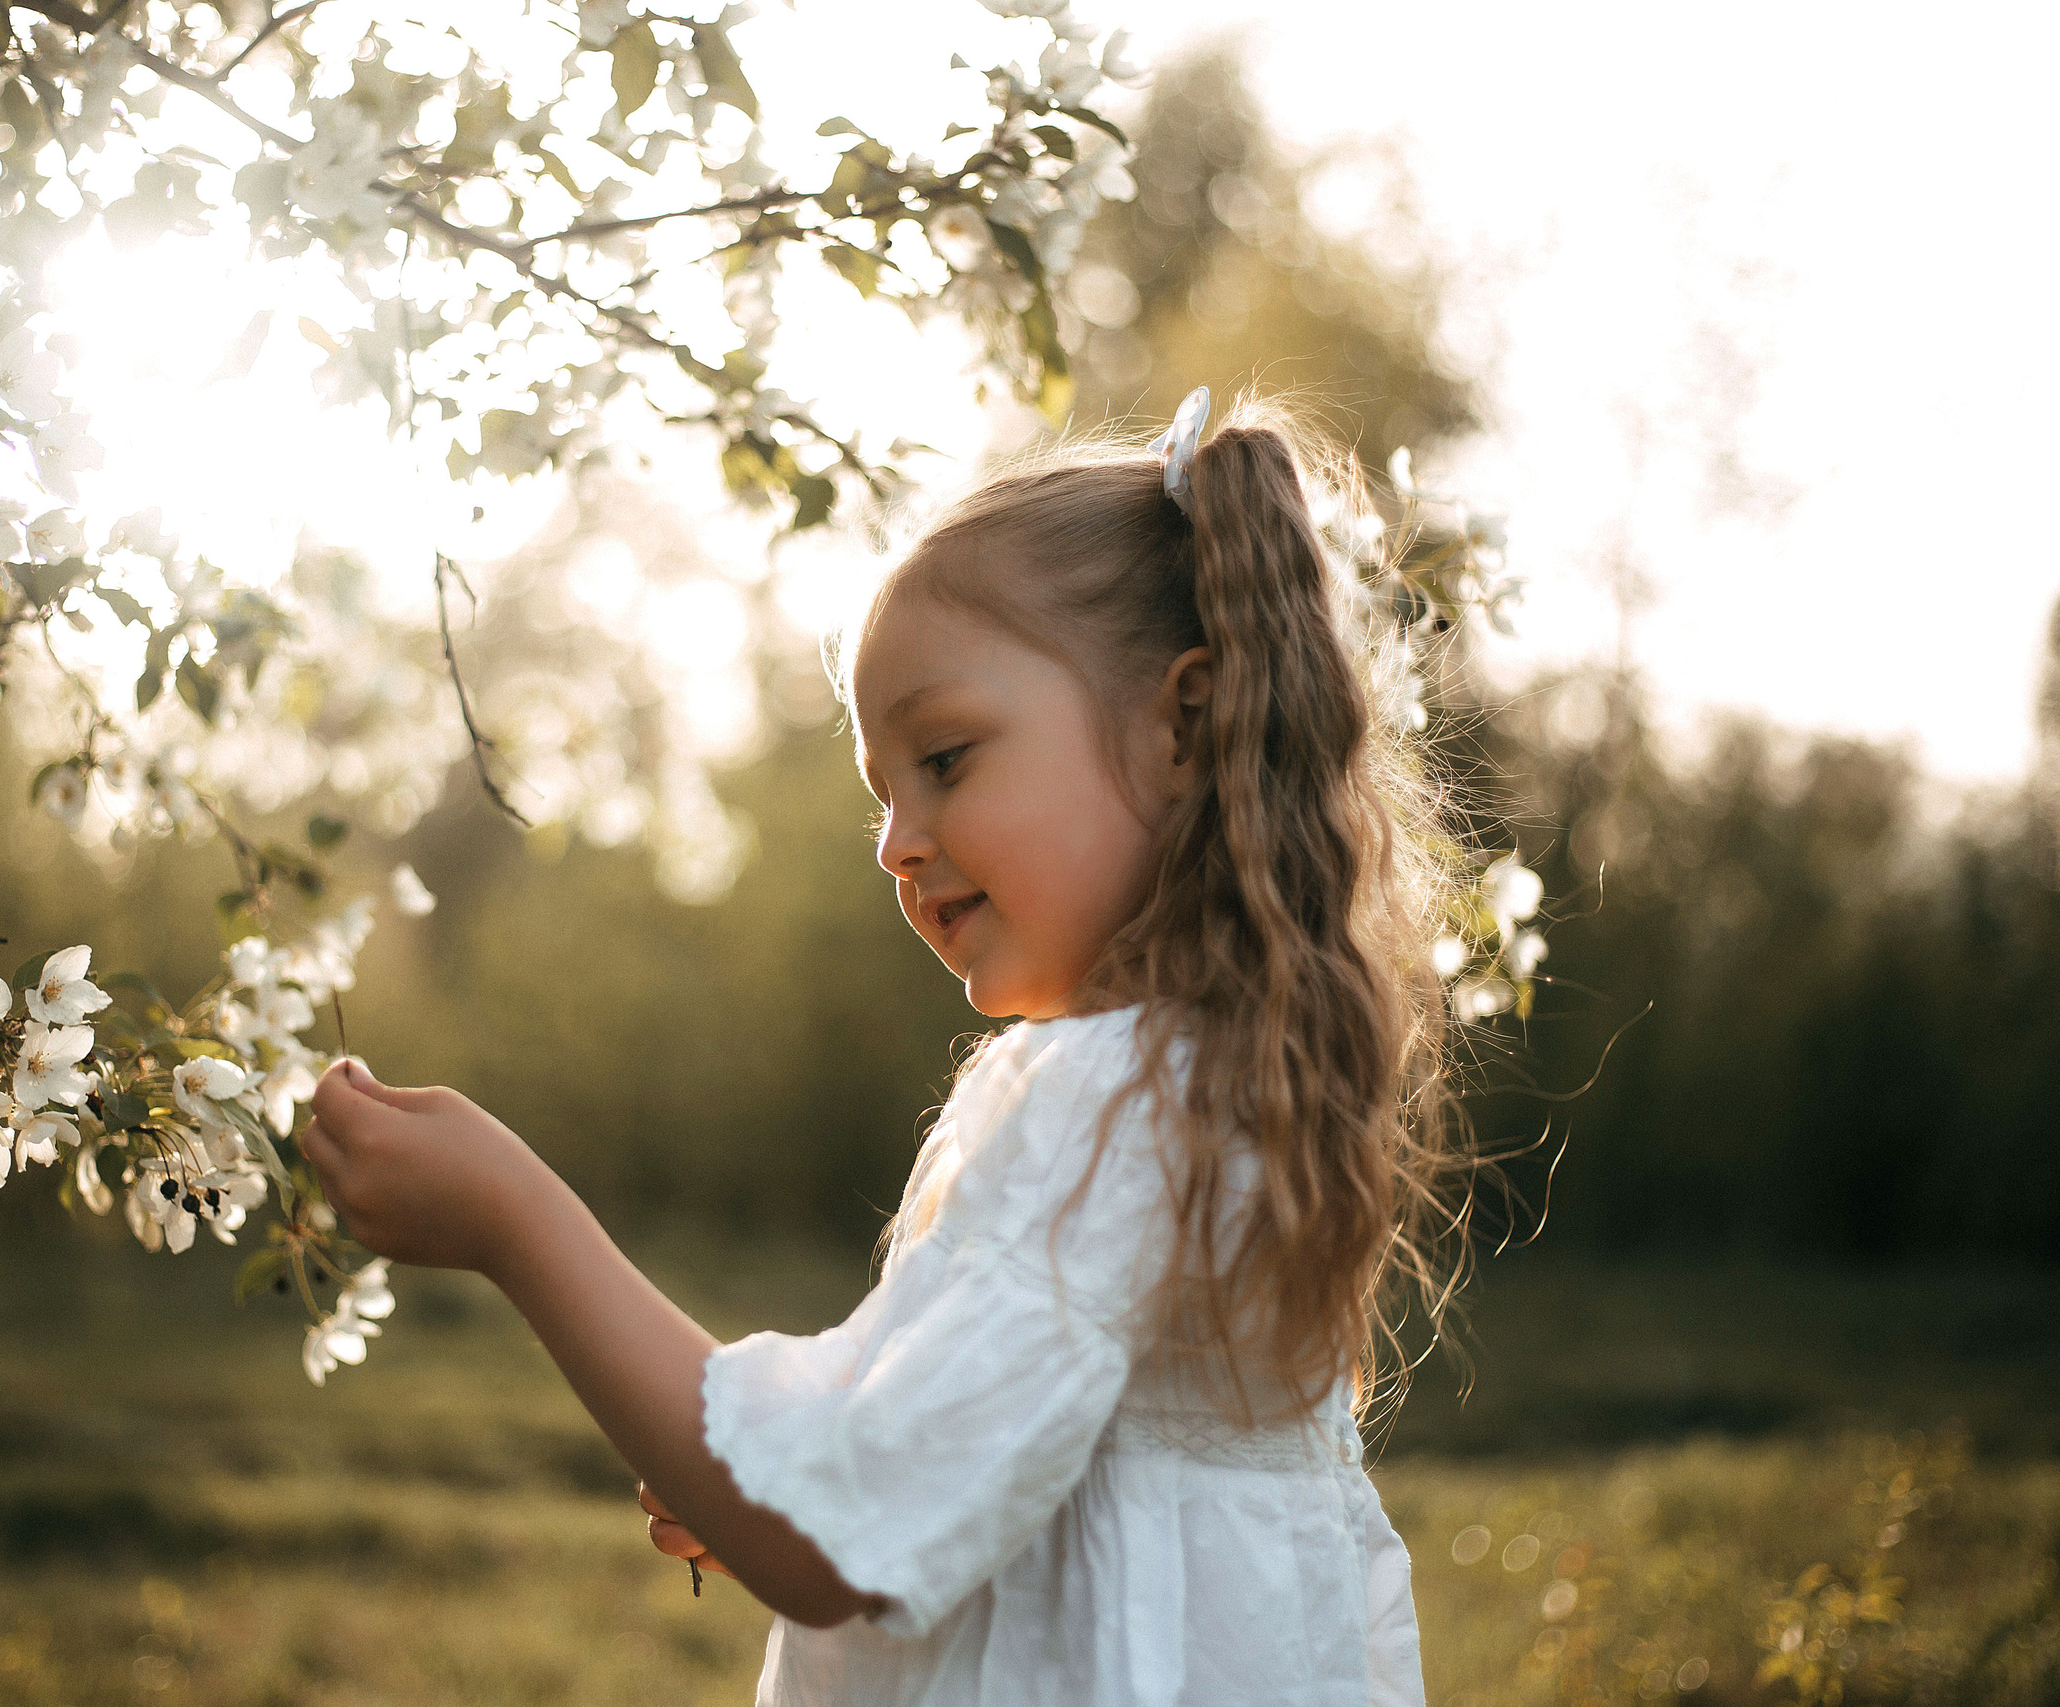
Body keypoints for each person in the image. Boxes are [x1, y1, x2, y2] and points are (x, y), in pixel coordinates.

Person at [303, 387, 1465, 1705]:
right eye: (881, 791)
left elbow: (832, 1543)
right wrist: (759, 1481)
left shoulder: (1106, 1101)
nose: (894, 839)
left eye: (948, 759)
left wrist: (517, 1222)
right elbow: (956, 1461)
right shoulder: (1224, 1086)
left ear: (1182, 725)